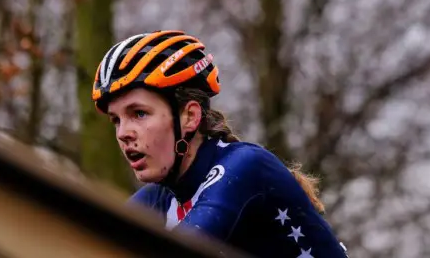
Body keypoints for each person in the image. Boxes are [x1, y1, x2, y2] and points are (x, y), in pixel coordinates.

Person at [91, 30, 349, 258]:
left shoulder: (246, 168)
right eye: (116, 120)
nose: (124, 133)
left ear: (190, 116)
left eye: (139, 113)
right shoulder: (159, 199)